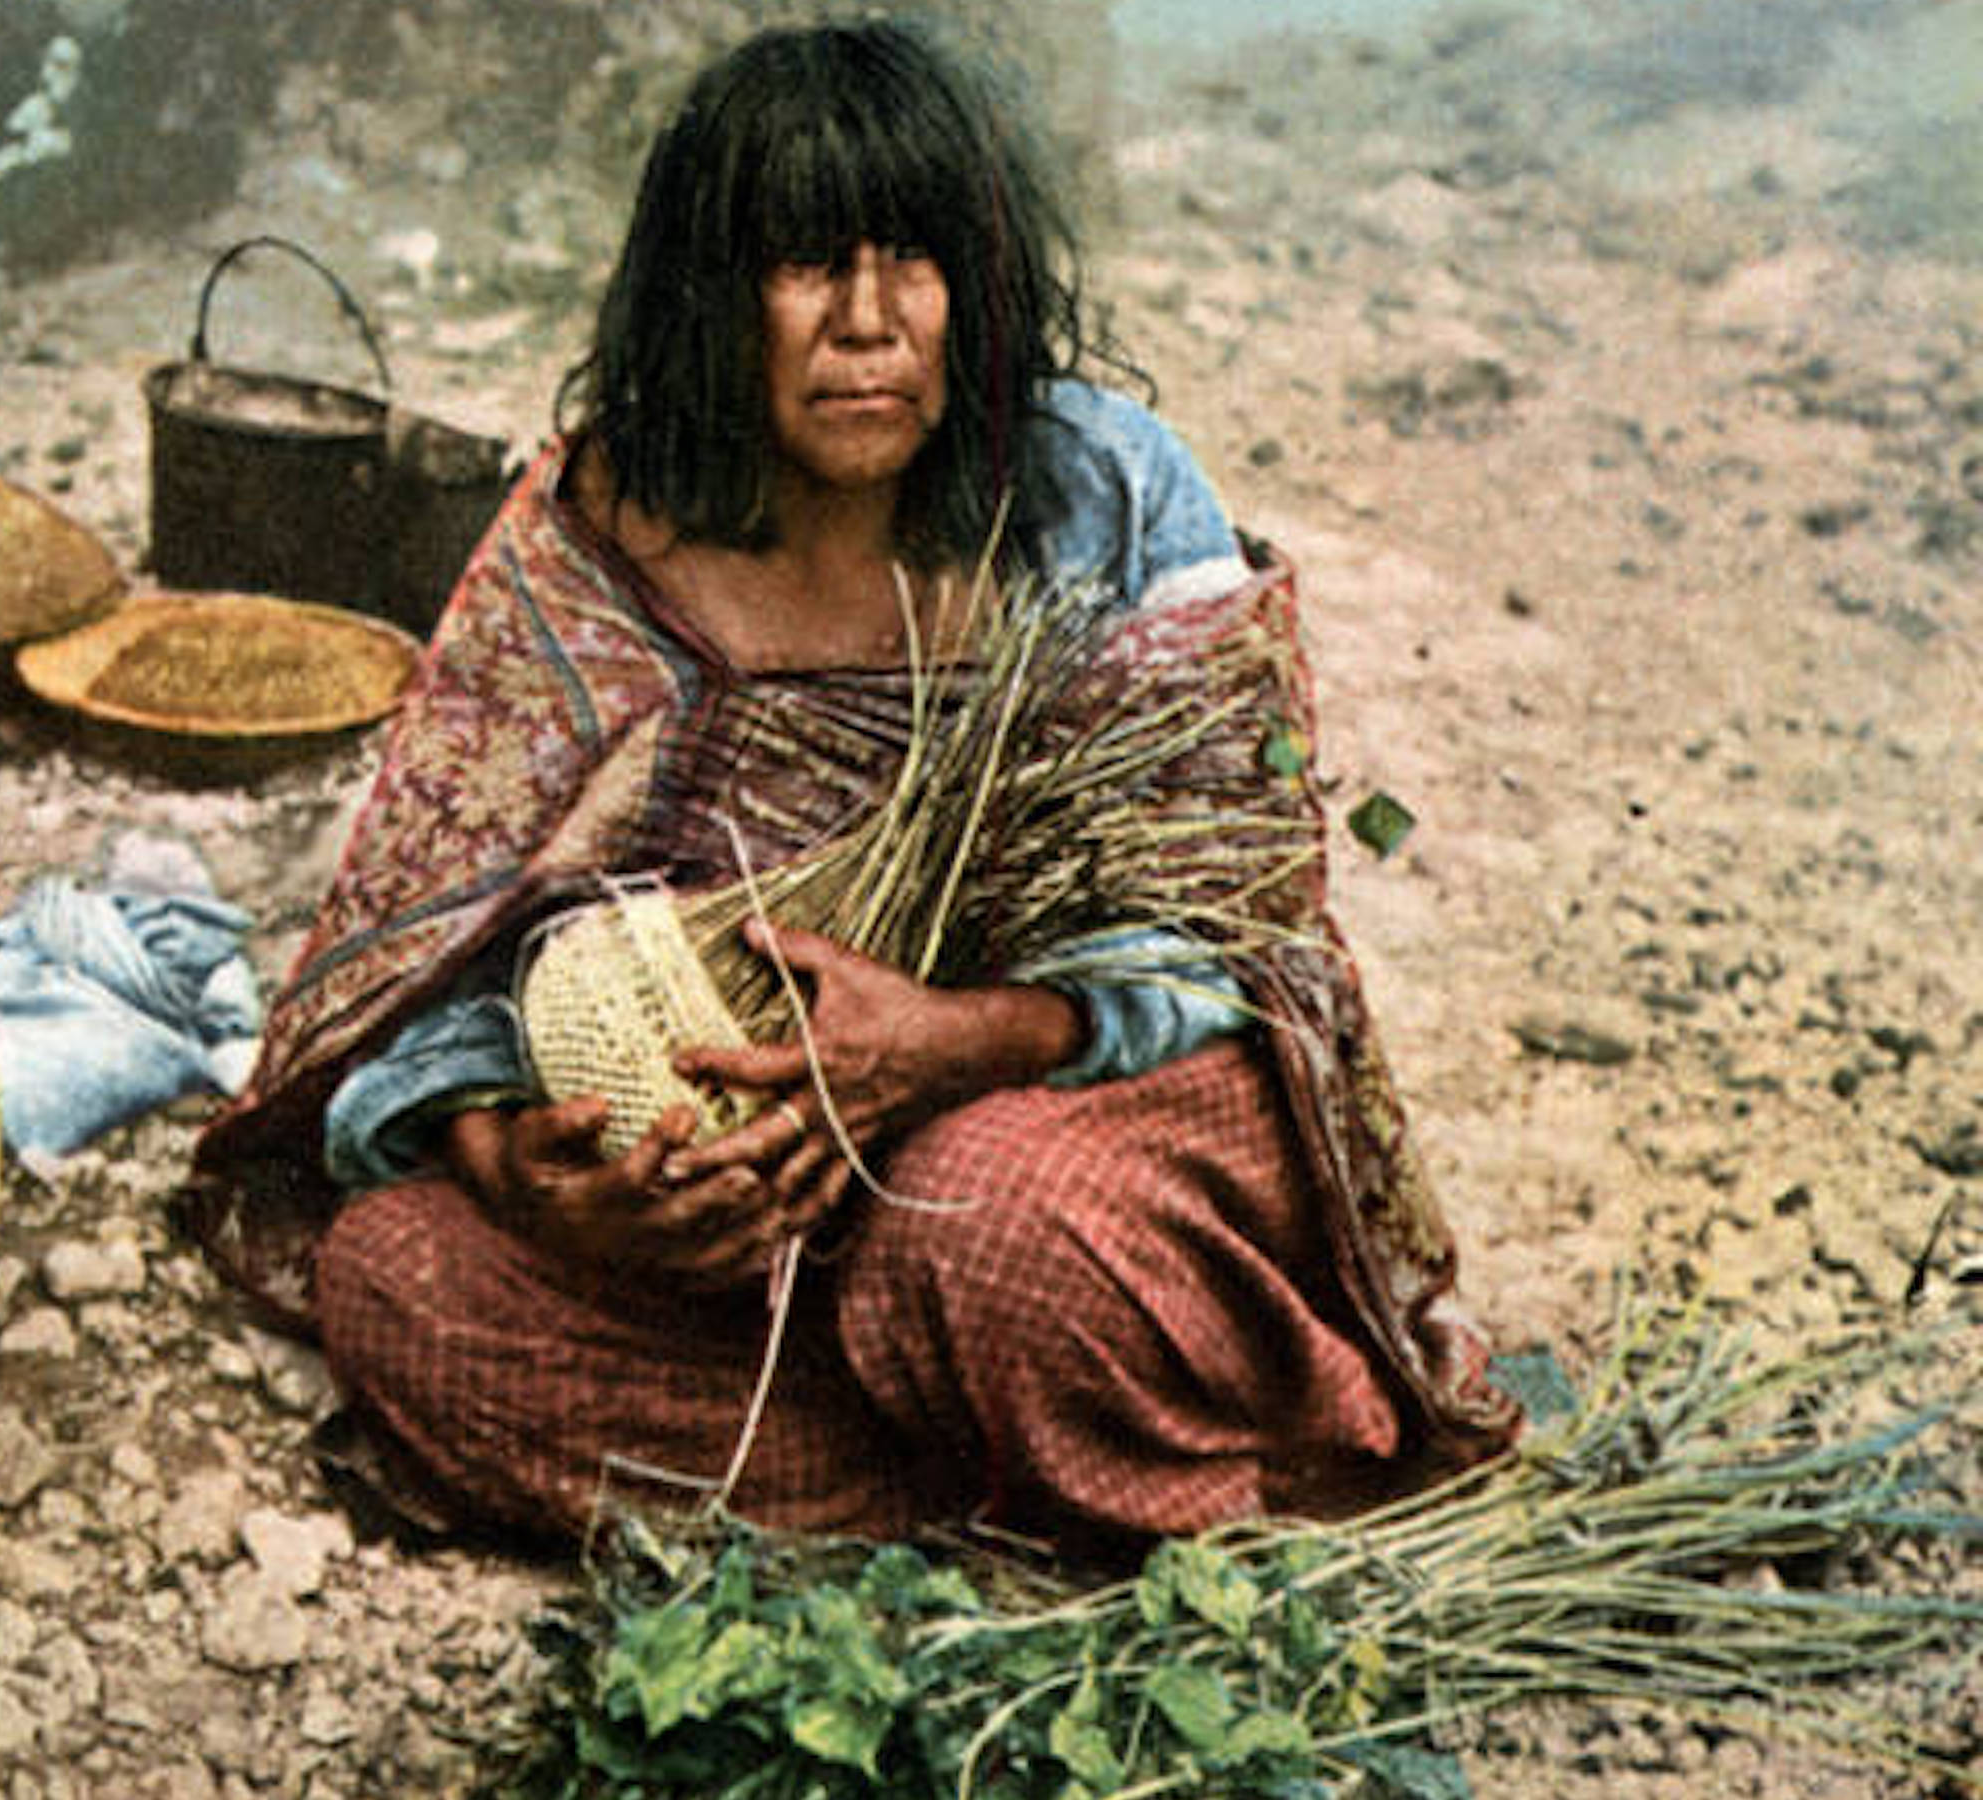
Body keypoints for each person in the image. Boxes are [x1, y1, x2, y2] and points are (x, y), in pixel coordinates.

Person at [179, 15, 1519, 1558]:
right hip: (758, 1239)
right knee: (400, 1275)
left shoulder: (1097, 499)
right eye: (806, 266)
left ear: (979, 293)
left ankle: (1037, 1414)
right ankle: (975, 1482)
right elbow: (456, 945)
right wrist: (515, 1160)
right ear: (709, 299)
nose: (867, 325)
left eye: (914, 265)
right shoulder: (604, 539)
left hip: (1076, 1115)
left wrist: (960, 1041)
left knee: (978, 1221)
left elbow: (1233, 931)